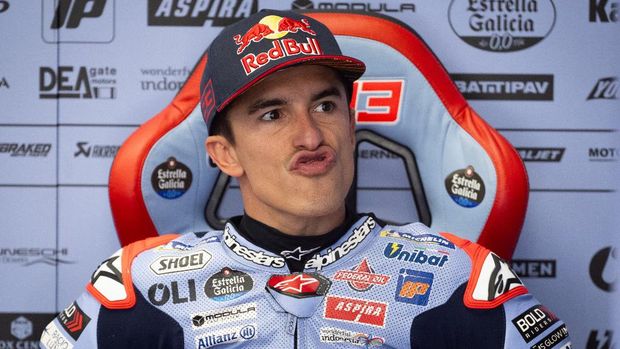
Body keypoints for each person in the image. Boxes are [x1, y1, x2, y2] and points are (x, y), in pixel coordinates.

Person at [40, 9, 571, 349]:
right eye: (272, 114)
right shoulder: (138, 282)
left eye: (324, 104)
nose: (311, 136)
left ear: (351, 121)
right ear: (224, 155)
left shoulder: (460, 275)